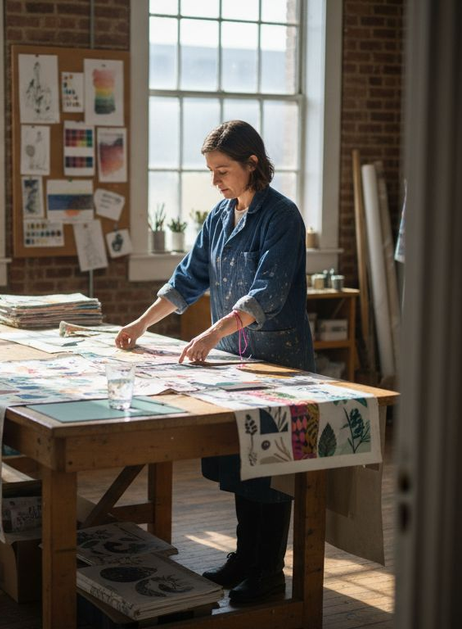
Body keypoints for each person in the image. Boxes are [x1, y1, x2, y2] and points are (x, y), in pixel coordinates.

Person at [115, 120, 314, 604]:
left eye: (223, 170)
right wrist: (141, 324)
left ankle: (269, 571)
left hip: (277, 360)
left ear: (252, 164)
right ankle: (246, 558)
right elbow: (188, 278)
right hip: (233, 361)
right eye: (211, 172)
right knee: (242, 462)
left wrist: (210, 333)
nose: (216, 181)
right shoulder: (221, 215)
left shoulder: (282, 217)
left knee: (272, 469)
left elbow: (266, 292)